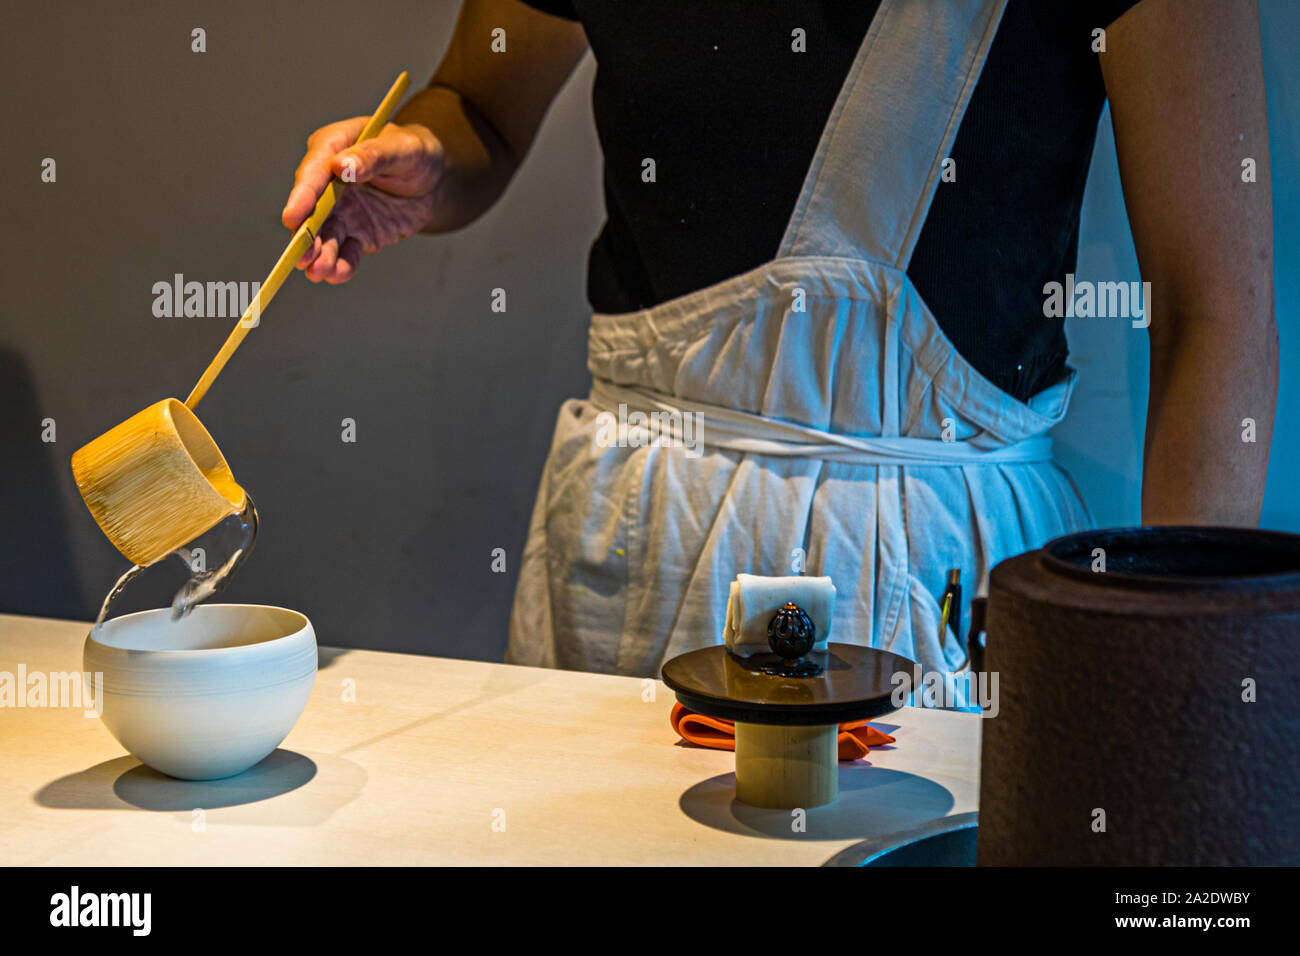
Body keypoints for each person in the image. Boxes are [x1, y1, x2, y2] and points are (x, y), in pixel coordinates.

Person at [281, 0, 1277, 696]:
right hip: (635, 534)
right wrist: (423, 156)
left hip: (935, 564)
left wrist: (1173, 658)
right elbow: (479, 107)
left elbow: (1213, 309)